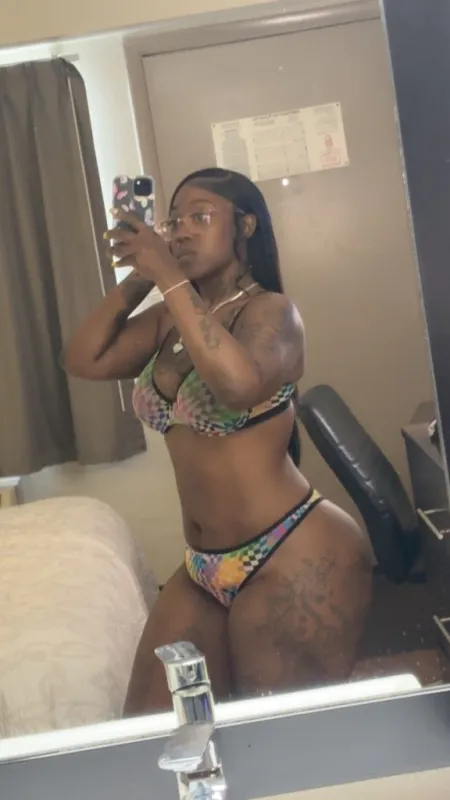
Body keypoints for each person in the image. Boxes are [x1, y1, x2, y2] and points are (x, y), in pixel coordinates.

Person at [64, 167, 372, 713]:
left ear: (245, 227)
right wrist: (143, 276)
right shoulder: (168, 317)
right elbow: (83, 359)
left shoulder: (273, 313)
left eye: (200, 217)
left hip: (290, 548)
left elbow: (237, 385)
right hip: (202, 567)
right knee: (148, 729)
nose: (182, 229)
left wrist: (168, 274)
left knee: (280, 736)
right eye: (174, 221)